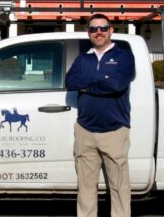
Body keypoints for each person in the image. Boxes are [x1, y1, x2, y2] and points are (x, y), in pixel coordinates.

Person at [65, 14, 136, 217]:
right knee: (86, 189)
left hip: (115, 131)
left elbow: (117, 84)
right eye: (94, 29)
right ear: (89, 33)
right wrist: (100, 78)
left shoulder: (124, 56)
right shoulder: (83, 58)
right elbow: (70, 81)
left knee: (119, 189)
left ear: (111, 30)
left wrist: (86, 85)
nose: (98, 32)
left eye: (103, 28)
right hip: (85, 131)